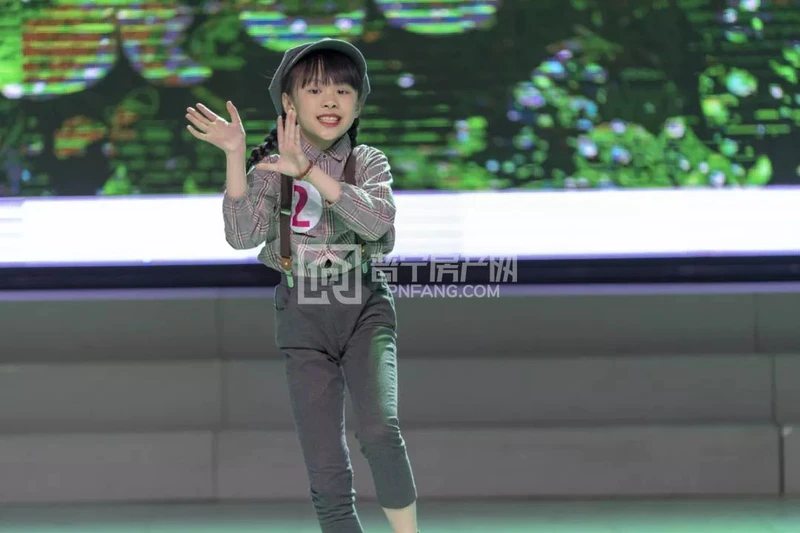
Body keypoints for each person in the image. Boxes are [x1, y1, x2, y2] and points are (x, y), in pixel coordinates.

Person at [185, 38, 419, 533]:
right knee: (323, 456)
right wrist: (235, 157)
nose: (330, 100)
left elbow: (378, 224)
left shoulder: (367, 162)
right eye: (315, 90)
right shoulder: (272, 169)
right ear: (289, 105)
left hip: (362, 304)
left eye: (343, 91)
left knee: (380, 430)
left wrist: (310, 172)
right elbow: (242, 236)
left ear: (358, 105)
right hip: (302, 311)